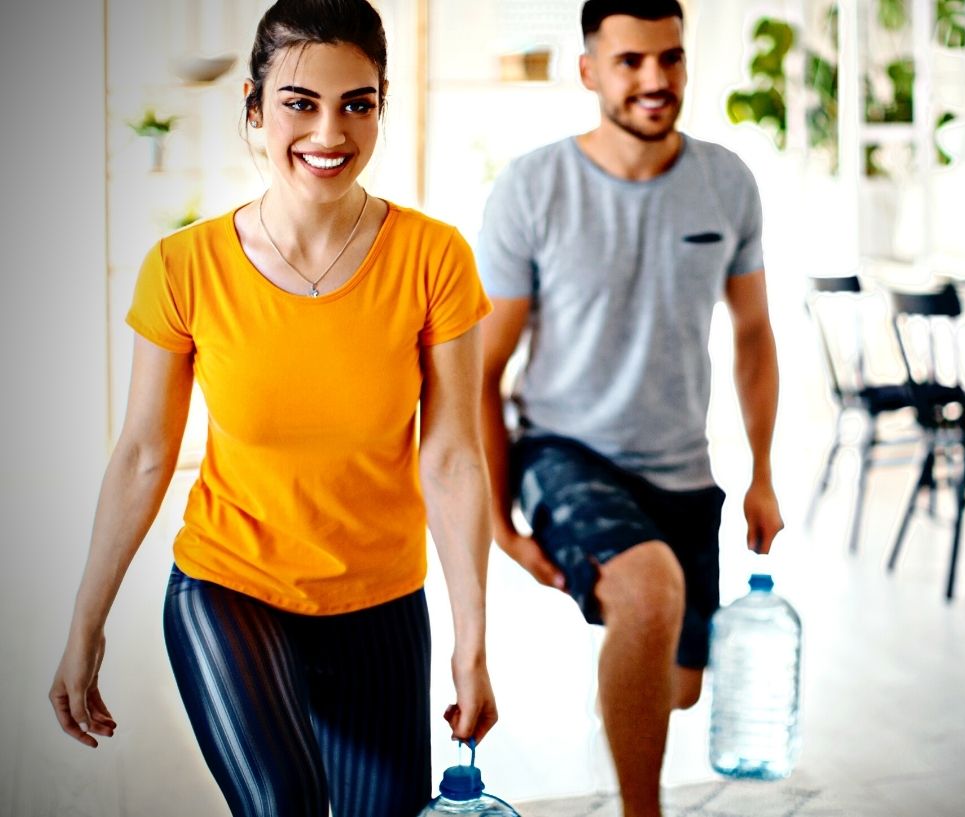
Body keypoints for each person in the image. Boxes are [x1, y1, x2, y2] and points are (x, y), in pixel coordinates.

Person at [48, 2, 498, 815]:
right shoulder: (182, 266)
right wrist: (87, 622)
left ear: (379, 106)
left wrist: (473, 640)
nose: (329, 133)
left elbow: (455, 454)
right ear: (254, 109)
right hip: (231, 585)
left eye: (356, 104)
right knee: (284, 801)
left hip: (382, 599)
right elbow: (145, 454)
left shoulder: (435, 258)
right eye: (300, 102)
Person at [476, 1, 783, 815]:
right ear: (588, 72)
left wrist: (762, 474)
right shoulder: (534, 186)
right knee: (648, 593)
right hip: (563, 449)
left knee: (678, 686)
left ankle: (627, 676)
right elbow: (484, 369)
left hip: (682, 465)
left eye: (670, 59)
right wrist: (500, 520)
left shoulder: (726, 182)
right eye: (631, 62)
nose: (655, 80)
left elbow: (753, 335)